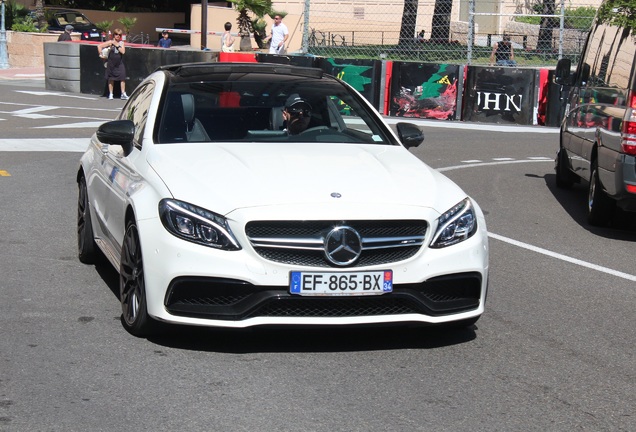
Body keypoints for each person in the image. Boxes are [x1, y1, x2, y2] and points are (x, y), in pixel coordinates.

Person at [97, 29, 129, 100]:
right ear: (114, 35)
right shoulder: (110, 42)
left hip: (119, 63)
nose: (118, 36)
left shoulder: (121, 43)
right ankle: (111, 94)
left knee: (122, 77)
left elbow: (123, 51)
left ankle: (123, 93)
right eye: (116, 34)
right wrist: (101, 54)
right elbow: (99, 46)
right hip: (111, 62)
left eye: (119, 35)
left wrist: (116, 45)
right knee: (111, 78)